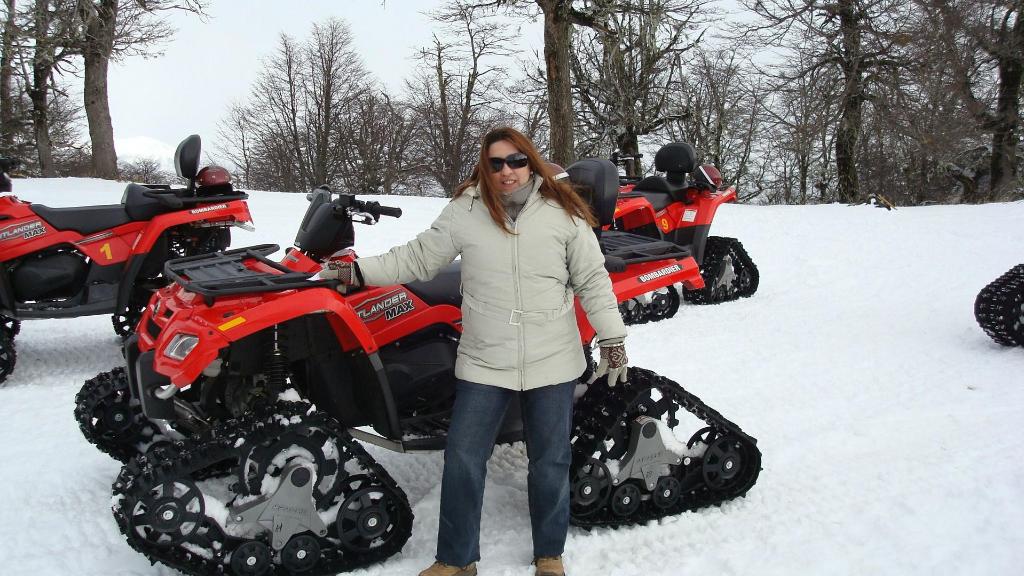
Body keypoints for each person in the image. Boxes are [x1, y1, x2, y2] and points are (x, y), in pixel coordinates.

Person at [324, 127, 628, 576]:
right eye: (496, 163)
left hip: (552, 358)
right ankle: (456, 559)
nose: (507, 171)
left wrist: (613, 339)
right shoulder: (466, 210)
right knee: (464, 458)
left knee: (550, 461)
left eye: (516, 161)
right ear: (484, 168)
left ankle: (549, 554)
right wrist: (357, 271)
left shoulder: (563, 213)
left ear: (532, 162)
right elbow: (416, 258)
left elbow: (593, 280)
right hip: (486, 358)